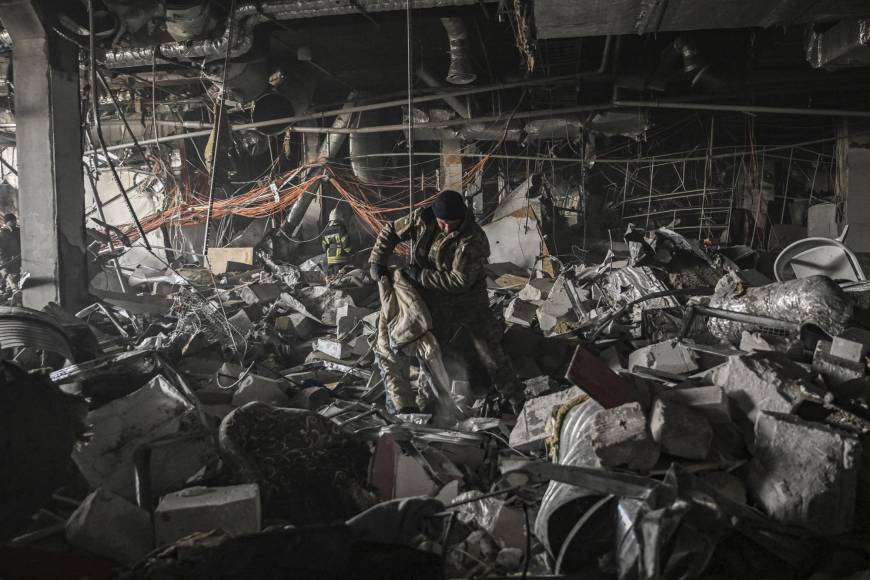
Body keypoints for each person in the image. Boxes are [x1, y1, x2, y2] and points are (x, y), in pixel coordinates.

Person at [369, 189, 522, 414]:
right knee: (431, 351)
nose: (447, 228)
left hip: (468, 303)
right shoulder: (422, 218)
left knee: (488, 350)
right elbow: (390, 230)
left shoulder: (473, 239)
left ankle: (516, 397)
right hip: (432, 302)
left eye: (453, 223)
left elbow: (459, 281)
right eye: (442, 223)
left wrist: (420, 276)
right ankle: (427, 405)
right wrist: (377, 260)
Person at [322, 208, 353, 275]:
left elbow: (324, 247)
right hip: (340, 258)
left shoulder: (326, 231)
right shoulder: (341, 229)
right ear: (340, 218)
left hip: (329, 258)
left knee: (332, 276)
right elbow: (346, 244)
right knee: (340, 276)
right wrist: (350, 251)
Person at [0, 213, 20, 293]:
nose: (14, 222)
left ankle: (15, 290)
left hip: (18, 258)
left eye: (14, 220)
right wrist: (4, 263)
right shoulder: (2, 233)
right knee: (10, 276)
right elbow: (1, 250)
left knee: (18, 276)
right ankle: (13, 290)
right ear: (6, 222)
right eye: (12, 221)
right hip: (8, 260)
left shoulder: (18, 230)